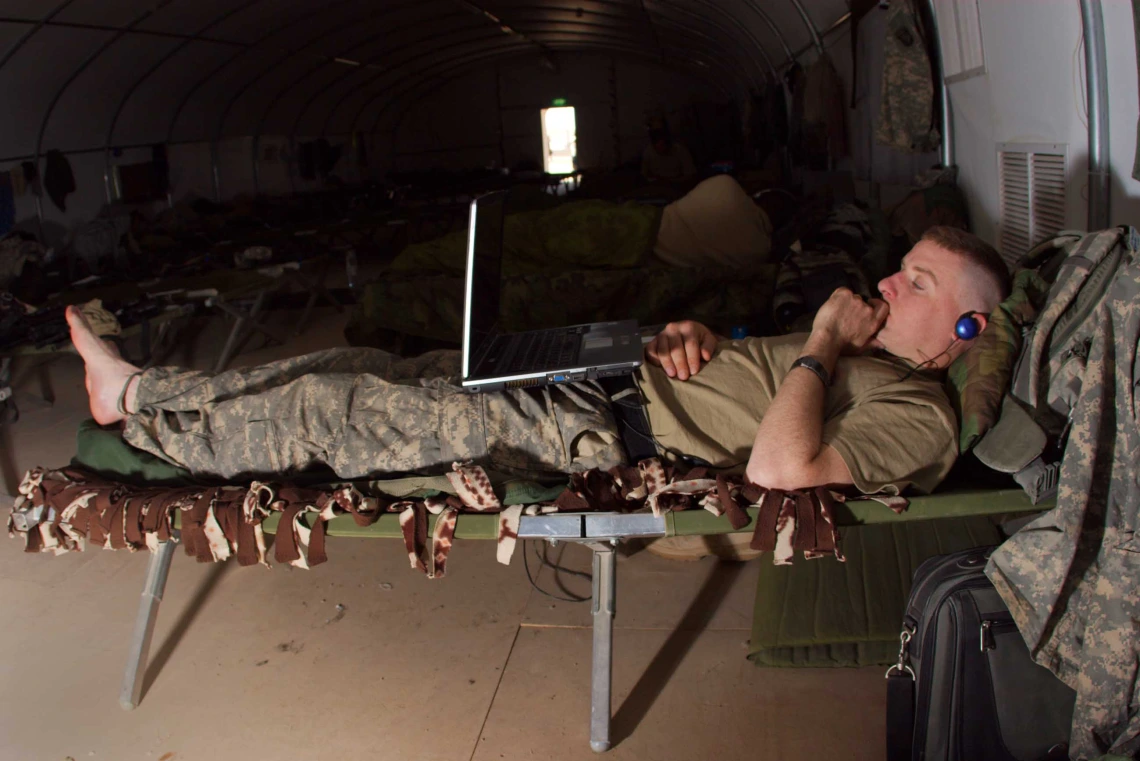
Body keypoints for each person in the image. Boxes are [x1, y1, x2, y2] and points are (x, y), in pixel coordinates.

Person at [67, 226, 1009, 495]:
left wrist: (819, 341)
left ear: (964, 335)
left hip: (592, 430)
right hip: (609, 373)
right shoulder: (860, 349)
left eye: (919, 283)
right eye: (901, 267)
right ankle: (142, 386)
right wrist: (693, 339)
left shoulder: (917, 416)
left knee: (333, 410)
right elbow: (744, 387)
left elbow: (778, 465)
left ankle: (145, 413)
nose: (888, 283)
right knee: (364, 356)